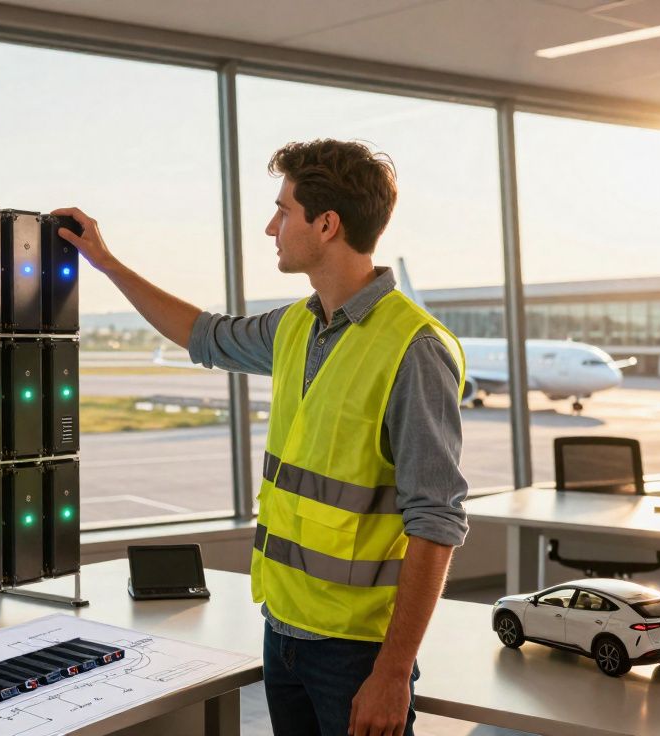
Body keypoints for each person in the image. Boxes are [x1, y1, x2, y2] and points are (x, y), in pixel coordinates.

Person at [53, 138, 468, 736]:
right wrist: (107, 262)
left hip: (356, 652)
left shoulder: (414, 349)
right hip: (284, 632)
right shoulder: (296, 326)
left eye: (283, 211)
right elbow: (201, 334)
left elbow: (435, 522)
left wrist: (393, 672)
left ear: (326, 225)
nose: (271, 226)